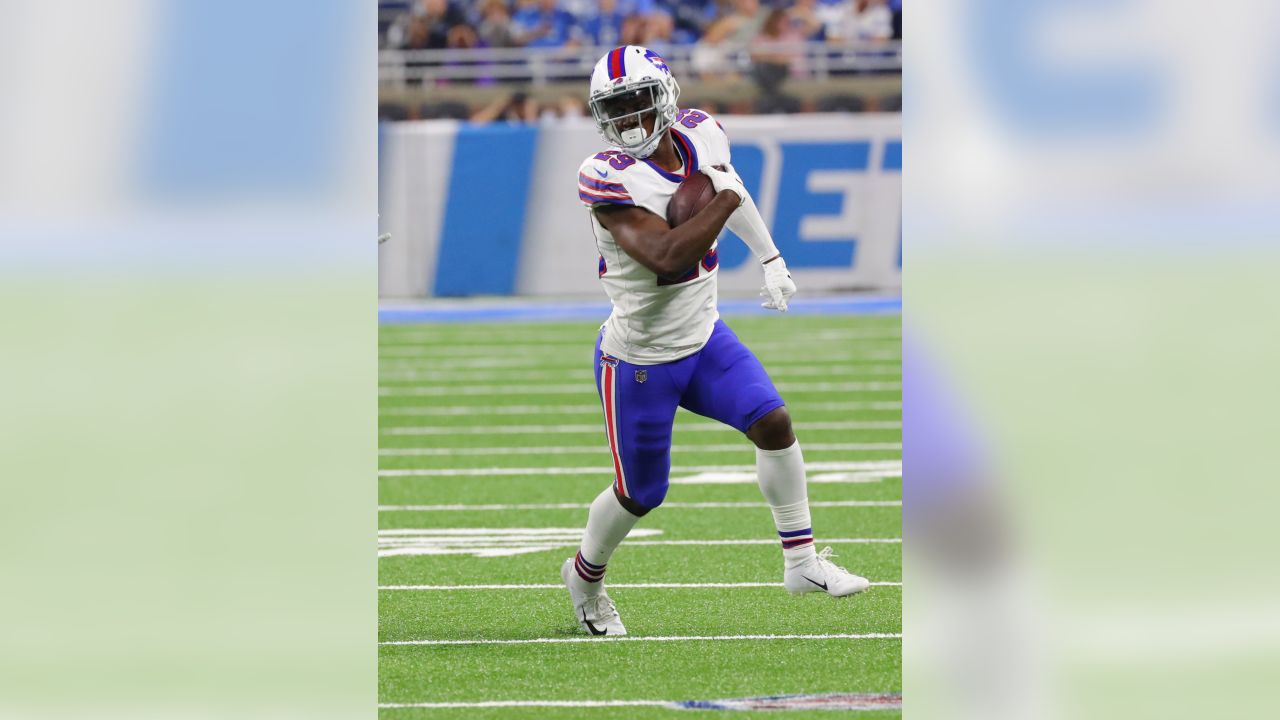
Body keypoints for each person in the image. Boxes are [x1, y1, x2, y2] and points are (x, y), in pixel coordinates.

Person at [561, 45, 870, 636]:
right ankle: (584, 577)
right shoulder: (606, 176)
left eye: (637, 105)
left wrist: (771, 258)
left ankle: (802, 563)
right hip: (640, 357)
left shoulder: (704, 133)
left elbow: (730, 190)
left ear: (665, 99)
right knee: (641, 493)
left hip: (703, 336)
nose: (628, 121)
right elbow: (668, 254)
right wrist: (725, 196)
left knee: (774, 423)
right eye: (614, 110)